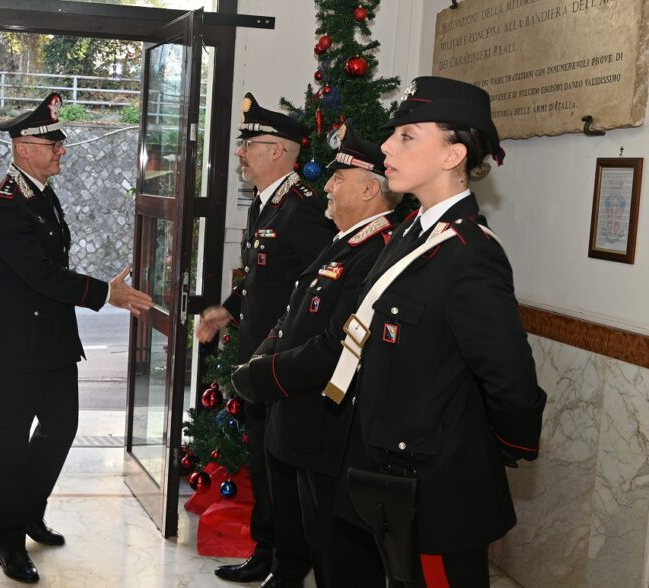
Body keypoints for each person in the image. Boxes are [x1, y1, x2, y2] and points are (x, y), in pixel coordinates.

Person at [330, 76, 547, 588]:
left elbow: (510, 379)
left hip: (439, 487)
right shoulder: (409, 233)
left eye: (407, 136)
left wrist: (504, 446)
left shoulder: (470, 253)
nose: (386, 145)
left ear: (453, 155)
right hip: (390, 476)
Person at [0, 92, 153, 583]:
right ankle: (9, 542)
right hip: (17, 349)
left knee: (61, 428)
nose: (61, 150)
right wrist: (106, 293)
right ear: (23, 146)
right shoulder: (5, 207)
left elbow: (52, 268)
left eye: (60, 142)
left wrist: (100, 292)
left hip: (54, 342)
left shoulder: (40, 194)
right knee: (11, 445)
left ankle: (30, 510)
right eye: (52, 142)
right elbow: (39, 274)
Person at [229, 121, 404, 588]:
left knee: (342, 560)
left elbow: (337, 344)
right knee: (322, 546)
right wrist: (261, 359)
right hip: (305, 417)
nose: (325, 184)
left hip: (331, 425)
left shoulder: (376, 250)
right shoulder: (347, 241)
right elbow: (292, 312)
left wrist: (262, 376)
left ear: (369, 189)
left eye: (338, 178)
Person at [196, 93, 336, 586]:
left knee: (281, 468)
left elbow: (326, 287)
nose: (240, 152)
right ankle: (267, 549)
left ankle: (290, 566)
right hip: (258, 362)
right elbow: (259, 278)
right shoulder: (268, 206)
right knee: (262, 461)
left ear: (279, 151)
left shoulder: (302, 211)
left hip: (283, 366)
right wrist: (223, 311)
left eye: (249, 143)